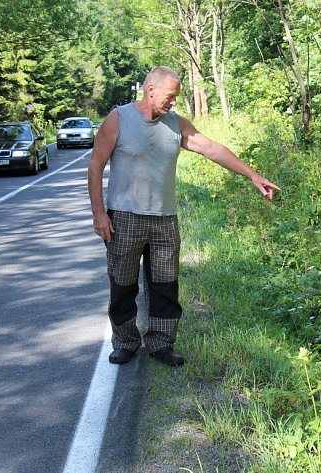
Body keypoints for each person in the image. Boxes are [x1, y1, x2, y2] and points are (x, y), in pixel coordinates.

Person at [88, 66, 281, 367]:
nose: (173, 103)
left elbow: (211, 149)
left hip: (164, 218)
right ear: (150, 89)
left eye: (176, 98)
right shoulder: (119, 119)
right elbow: (95, 166)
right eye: (170, 97)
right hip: (124, 216)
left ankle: (161, 343)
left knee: (165, 284)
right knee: (123, 284)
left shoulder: (176, 124)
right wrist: (99, 213)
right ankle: (125, 342)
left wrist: (252, 175)